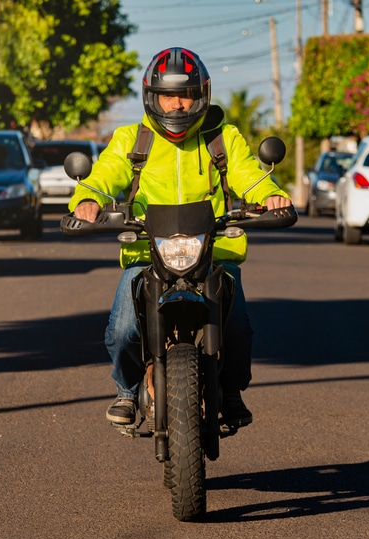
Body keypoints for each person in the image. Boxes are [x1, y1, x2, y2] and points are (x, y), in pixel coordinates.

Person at [69, 47, 292, 428]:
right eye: (167, 96)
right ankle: (126, 389)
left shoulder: (223, 138)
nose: (176, 105)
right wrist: (87, 198)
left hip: (213, 252)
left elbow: (248, 174)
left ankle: (232, 389)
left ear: (201, 95)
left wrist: (269, 194)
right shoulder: (131, 140)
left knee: (237, 326)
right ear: (151, 97)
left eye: (185, 95)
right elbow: (103, 176)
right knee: (123, 329)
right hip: (146, 253)